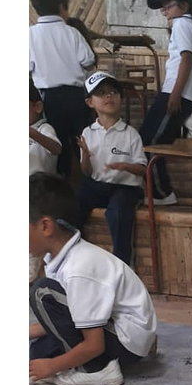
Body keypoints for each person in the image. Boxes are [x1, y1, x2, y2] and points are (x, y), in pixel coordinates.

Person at [29, 173, 159, 385]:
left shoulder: (79, 268)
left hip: (126, 341)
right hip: (116, 328)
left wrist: (53, 366)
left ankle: (98, 371)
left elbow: (95, 344)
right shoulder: (60, 257)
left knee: (42, 294)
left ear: (45, 226)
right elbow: (63, 316)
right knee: (38, 352)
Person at [139, 0, 192, 204]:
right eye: (163, 8)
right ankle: (159, 191)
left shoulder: (182, 24)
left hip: (177, 93)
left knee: (151, 141)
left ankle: (162, 194)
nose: (164, 11)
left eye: (167, 6)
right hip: (180, 92)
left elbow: (186, 59)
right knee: (151, 137)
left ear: (183, 5)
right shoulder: (190, 24)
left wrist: (175, 93)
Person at [76, 72, 148, 265]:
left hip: (126, 188)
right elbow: (87, 172)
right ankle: (74, 253)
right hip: (98, 185)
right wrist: (85, 155)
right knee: (75, 203)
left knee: (118, 212)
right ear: (90, 102)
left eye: (114, 92)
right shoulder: (87, 133)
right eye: (102, 93)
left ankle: (123, 264)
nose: (109, 96)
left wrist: (126, 166)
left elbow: (143, 169)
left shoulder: (130, 133)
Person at [28, 0, 96, 181]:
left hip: (48, 99)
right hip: (76, 97)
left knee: (58, 146)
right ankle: (91, 181)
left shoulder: (31, 34)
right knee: (82, 142)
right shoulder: (72, 32)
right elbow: (89, 63)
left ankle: (62, 185)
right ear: (61, 8)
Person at [29, 78, 62, 177]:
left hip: (42, 187)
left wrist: (32, 133)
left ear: (37, 107)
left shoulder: (44, 128)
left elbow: (56, 149)